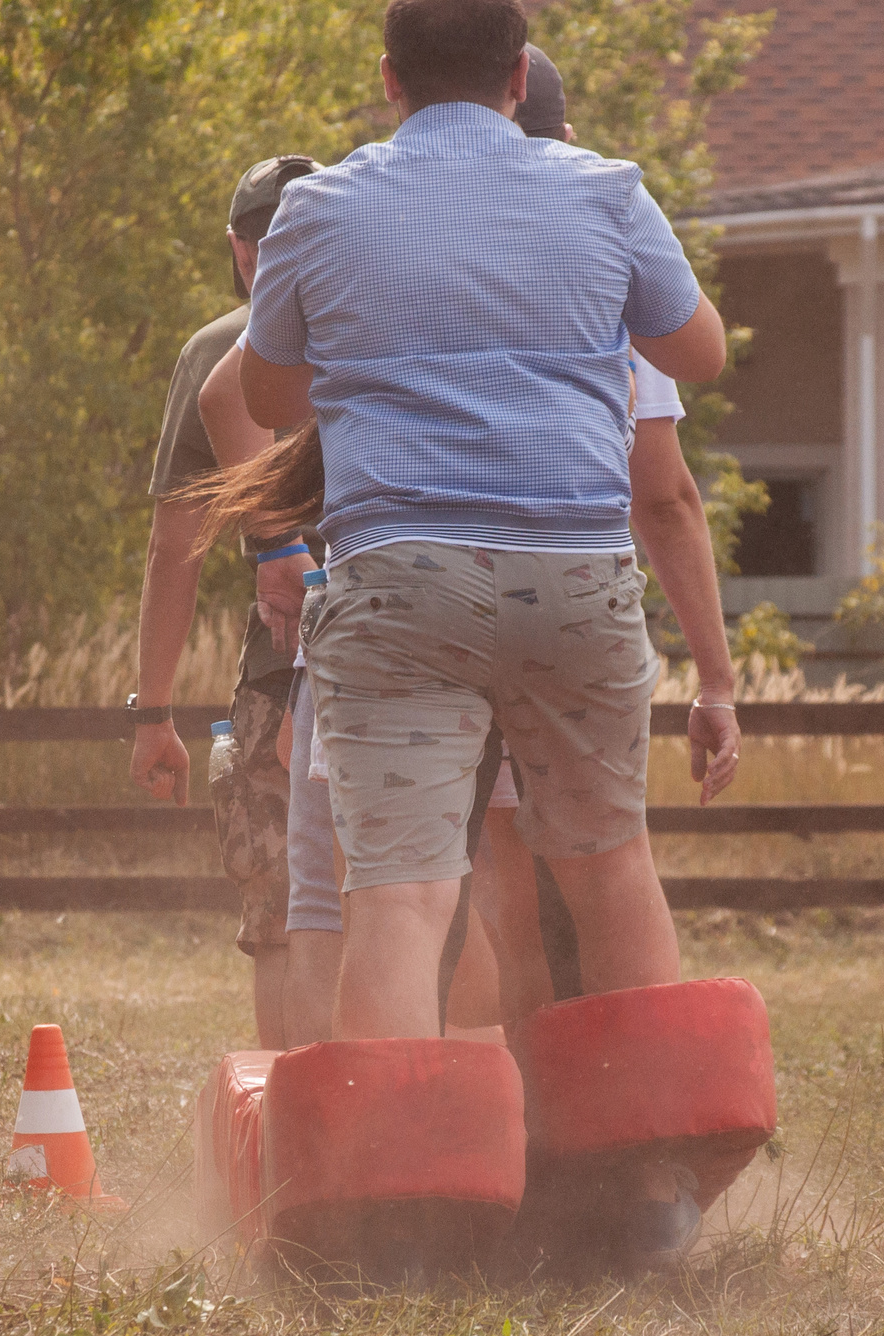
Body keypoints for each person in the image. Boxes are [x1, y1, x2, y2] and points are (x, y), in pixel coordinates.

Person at [197, 44, 743, 1046]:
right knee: (611, 869)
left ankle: (397, 1190)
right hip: (573, 574)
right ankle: (648, 1163)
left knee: (399, 901)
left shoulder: (320, 210)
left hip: (398, 582)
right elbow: (698, 354)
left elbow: (268, 398)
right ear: (515, 77)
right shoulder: (609, 193)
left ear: (391, 77)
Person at [126, 153, 321, 1047]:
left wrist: (153, 713)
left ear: (239, 252)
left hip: (289, 663)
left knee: (282, 904)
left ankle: (295, 1145)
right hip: (432, 634)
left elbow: (177, 549)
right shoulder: (401, 318)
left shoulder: (220, 353)